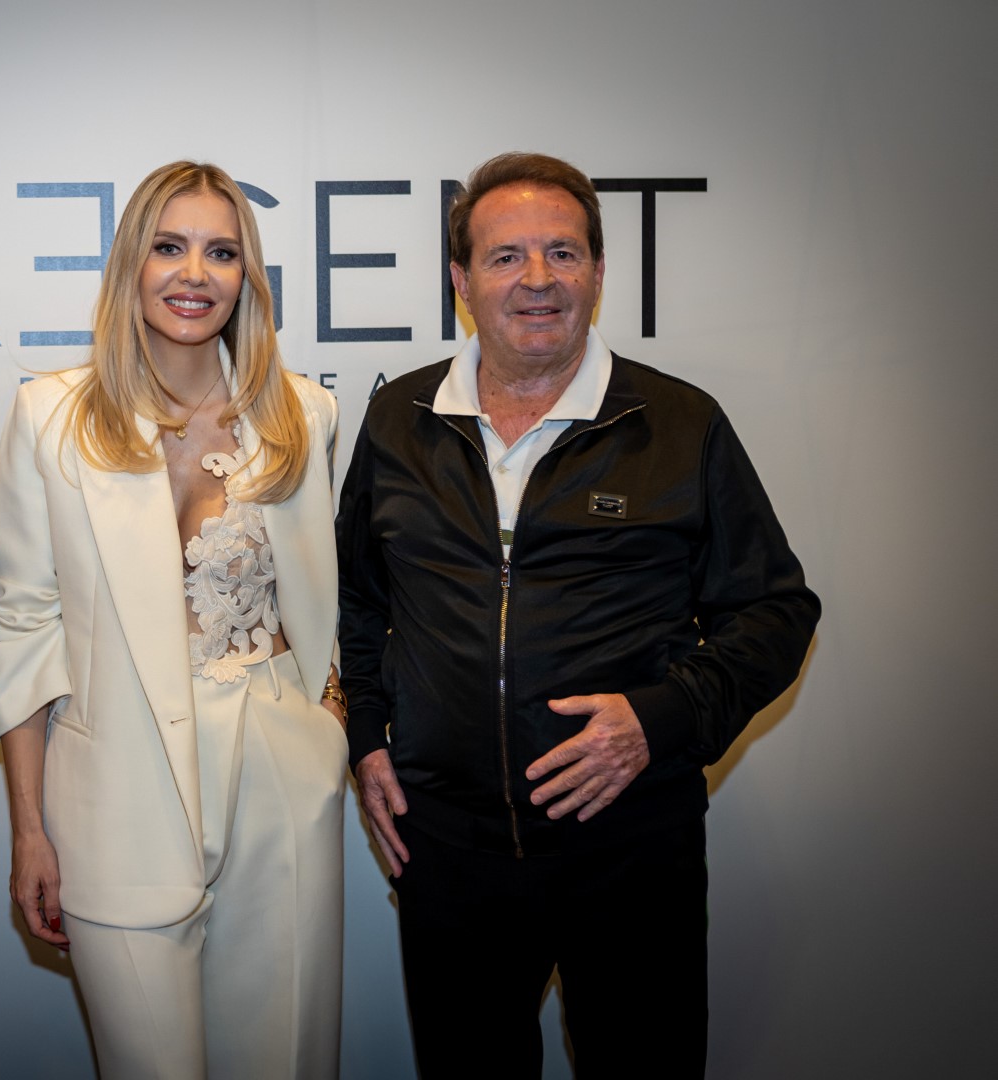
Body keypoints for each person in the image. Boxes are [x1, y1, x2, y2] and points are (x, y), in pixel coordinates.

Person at [335, 151, 821, 1078]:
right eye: (505, 256)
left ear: (597, 272)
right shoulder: (399, 419)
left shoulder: (678, 424)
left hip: (629, 847)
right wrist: (366, 734)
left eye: (561, 252)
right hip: (449, 851)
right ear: (461, 281)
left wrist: (659, 718)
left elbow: (775, 610)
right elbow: (358, 598)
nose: (537, 278)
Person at [0, 161, 348, 1078]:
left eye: (221, 252)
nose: (194, 274)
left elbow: (325, 595)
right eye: (169, 247)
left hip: (279, 767)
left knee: (283, 1061)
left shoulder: (304, 414)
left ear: (246, 274)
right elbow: (24, 626)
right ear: (130, 266)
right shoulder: (49, 415)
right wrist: (29, 827)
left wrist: (326, 720)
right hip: (115, 789)